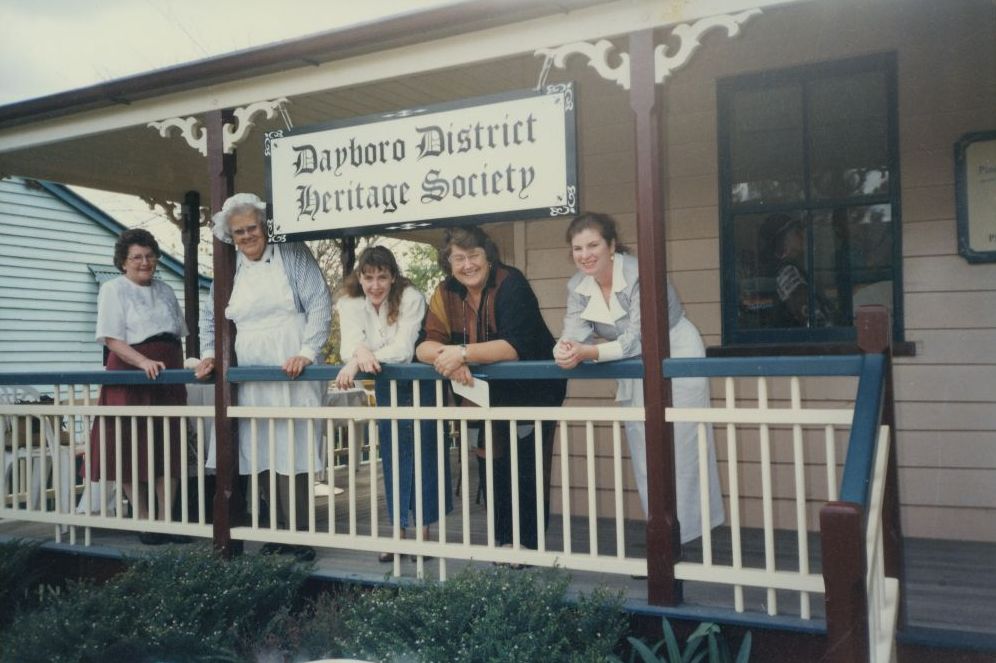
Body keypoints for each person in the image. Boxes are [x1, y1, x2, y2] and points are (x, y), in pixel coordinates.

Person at [553, 212, 723, 544]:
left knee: (683, 445)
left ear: (611, 245)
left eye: (593, 245)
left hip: (675, 351)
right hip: (631, 363)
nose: (585, 255)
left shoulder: (640, 274)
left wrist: (590, 352)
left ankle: (689, 534)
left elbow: (640, 337)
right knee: (644, 448)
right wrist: (564, 350)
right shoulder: (577, 286)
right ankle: (661, 533)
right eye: (578, 248)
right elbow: (573, 332)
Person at [195, 193, 332, 562]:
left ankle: (299, 534)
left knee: (294, 444)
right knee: (261, 445)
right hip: (251, 368)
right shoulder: (229, 268)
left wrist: (307, 351)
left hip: (291, 361)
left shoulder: (291, 253)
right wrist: (209, 355)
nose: (247, 236)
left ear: (265, 226)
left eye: (252, 228)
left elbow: (319, 301)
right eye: (239, 232)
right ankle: (276, 530)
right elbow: (210, 318)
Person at [416, 226, 565, 555]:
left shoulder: (511, 283)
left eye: (474, 256)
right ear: (449, 262)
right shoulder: (445, 291)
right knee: (490, 464)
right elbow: (424, 345)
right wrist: (449, 358)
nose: (467, 265)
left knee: (525, 465)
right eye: (459, 258)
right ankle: (503, 541)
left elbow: (514, 347)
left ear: (488, 257)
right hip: (479, 393)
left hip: (531, 392)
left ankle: (526, 544)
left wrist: (463, 353)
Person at [335, 246, 451, 562]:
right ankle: (399, 535)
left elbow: (402, 351)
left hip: (420, 382)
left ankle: (424, 536)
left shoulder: (411, 297)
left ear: (393, 277)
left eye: (382, 277)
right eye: (368, 278)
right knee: (393, 455)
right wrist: (359, 354)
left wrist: (360, 358)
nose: (375, 285)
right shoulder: (349, 303)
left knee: (425, 454)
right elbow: (347, 346)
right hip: (387, 383)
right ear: (359, 278)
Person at [89, 228, 189, 545]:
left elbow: (177, 334)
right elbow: (112, 338)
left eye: (149, 256)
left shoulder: (166, 290)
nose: (144, 262)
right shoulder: (113, 289)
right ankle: (145, 520)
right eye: (136, 257)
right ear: (123, 262)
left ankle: (167, 521)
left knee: (167, 444)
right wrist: (142, 361)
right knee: (130, 445)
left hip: (168, 373)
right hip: (130, 372)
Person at [762, 213, 834, 327]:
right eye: (796, 232)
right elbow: (813, 319)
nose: (802, 235)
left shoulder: (796, 267)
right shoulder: (787, 272)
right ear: (783, 240)